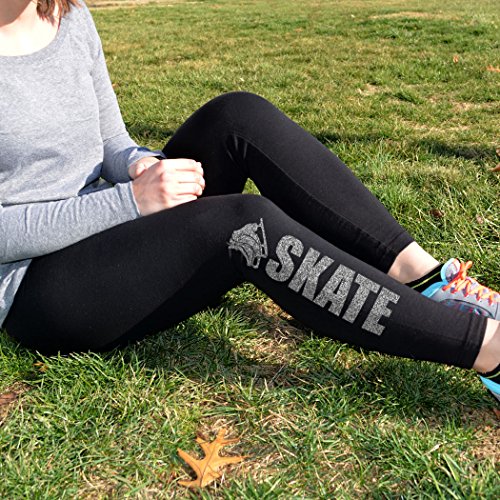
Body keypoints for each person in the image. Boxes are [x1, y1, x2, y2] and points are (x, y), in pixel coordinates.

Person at [1, 0, 499, 404]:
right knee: (245, 227)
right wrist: (129, 202)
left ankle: (426, 279)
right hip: (40, 287)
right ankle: (490, 351)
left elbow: (111, 139)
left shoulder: (66, 15)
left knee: (236, 117)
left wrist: (140, 164)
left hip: (115, 222)